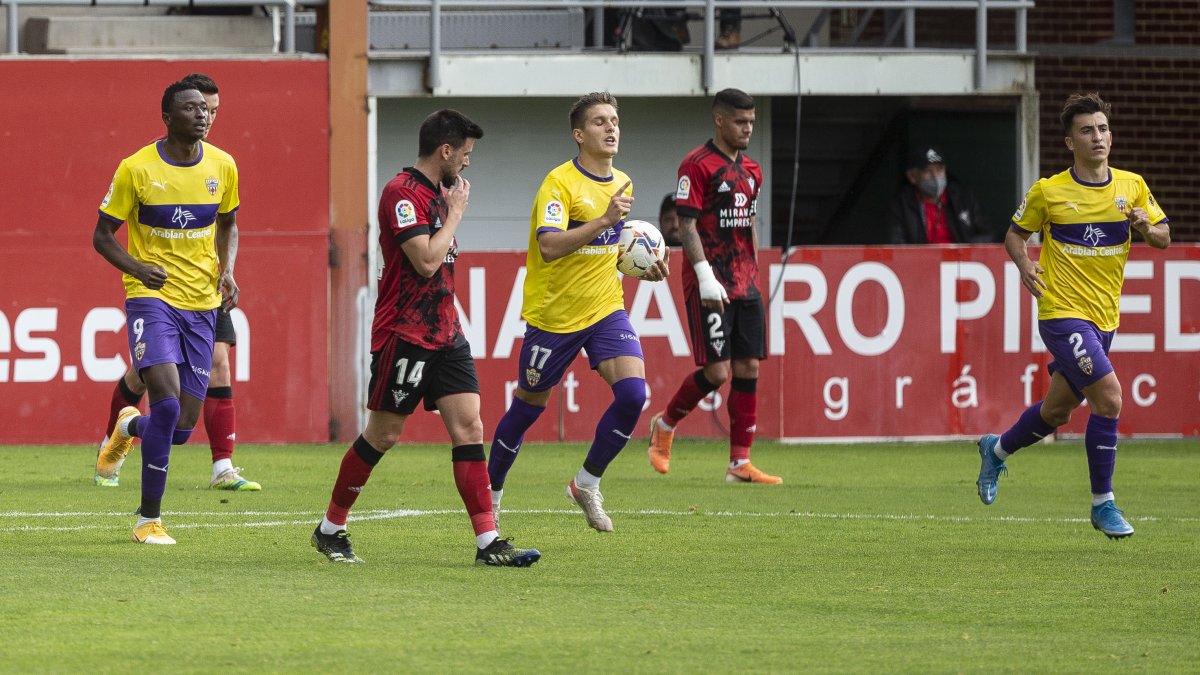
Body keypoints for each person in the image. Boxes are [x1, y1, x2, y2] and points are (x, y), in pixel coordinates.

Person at [311, 109, 540, 567]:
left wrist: (449, 210)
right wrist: (455, 215)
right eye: (466, 154)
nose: (469, 163)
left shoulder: (438, 194)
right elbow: (428, 261)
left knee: (470, 427)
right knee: (383, 434)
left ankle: (488, 543)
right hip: (405, 333)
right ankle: (330, 528)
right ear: (445, 150)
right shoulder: (402, 193)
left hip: (446, 332)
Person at [975, 92, 1170, 539]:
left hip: (1105, 319)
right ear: (1070, 142)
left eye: (1102, 128)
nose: (1097, 137)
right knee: (1111, 399)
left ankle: (997, 450)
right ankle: (1104, 503)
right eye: (1087, 130)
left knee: (1057, 410)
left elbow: (1163, 237)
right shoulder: (1049, 191)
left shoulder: (1132, 186)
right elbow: (1014, 236)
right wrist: (1025, 264)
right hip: (1061, 313)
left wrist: (1146, 227)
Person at [486, 92, 669, 533]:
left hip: (606, 308)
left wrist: (644, 267)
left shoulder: (623, 182)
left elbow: (613, 250)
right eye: (600, 122)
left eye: (615, 121)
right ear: (579, 134)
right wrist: (605, 221)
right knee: (528, 409)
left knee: (632, 396)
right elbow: (549, 246)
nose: (611, 129)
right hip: (554, 317)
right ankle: (489, 496)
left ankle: (586, 483)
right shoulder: (559, 184)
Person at [93, 79, 242, 545]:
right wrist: (138, 267)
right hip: (150, 297)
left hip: (203, 302)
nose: (203, 115)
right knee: (168, 399)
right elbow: (101, 237)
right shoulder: (136, 169)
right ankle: (147, 520)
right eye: (192, 108)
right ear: (168, 117)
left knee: (177, 430)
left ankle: (127, 425)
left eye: (206, 108)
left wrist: (228, 270)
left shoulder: (223, 165)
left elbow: (229, 223)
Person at [647, 88, 781, 484]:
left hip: (745, 283)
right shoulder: (697, 165)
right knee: (718, 372)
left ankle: (739, 464)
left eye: (752, 122)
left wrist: (754, 272)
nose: (748, 129)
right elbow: (686, 224)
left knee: (749, 366)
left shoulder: (753, 170)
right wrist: (704, 274)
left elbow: (750, 224)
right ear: (719, 120)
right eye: (741, 122)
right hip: (709, 282)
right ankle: (665, 424)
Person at [887, 145, 993, 244]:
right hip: (923, 262)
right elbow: (897, 245)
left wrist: (966, 250)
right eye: (928, 171)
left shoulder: (962, 198)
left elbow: (990, 234)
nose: (935, 177)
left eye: (939, 170)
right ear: (912, 176)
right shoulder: (902, 204)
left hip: (961, 261)